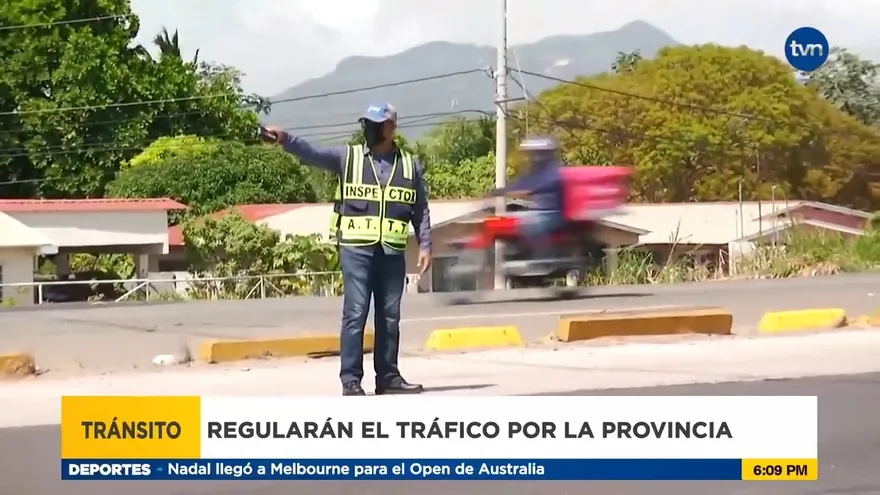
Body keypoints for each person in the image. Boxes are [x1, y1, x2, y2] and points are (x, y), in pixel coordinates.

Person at [263, 102, 432, 396]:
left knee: (389, 316)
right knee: (355, 313)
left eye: (376, 123)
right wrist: (284, 138)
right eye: (366, 123)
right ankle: (351, 380)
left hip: (391, 251)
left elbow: (420, 209)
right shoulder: (349, 157)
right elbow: (313, 153)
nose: (369, 128)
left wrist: (425, 243)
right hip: (356, 250)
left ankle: (388, 378)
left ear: (392, 127)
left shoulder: (409, 165)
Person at [490, 137, 564, 260]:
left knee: (528, 225)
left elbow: (531, 186)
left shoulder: (552, 172)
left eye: (537, 153)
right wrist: (500, 191)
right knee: (509, 222)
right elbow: (522, 183)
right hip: (541, 212)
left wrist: (511, 192)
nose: (533, 157)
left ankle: (543, 257)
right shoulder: (537, 172)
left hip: (553, 214)